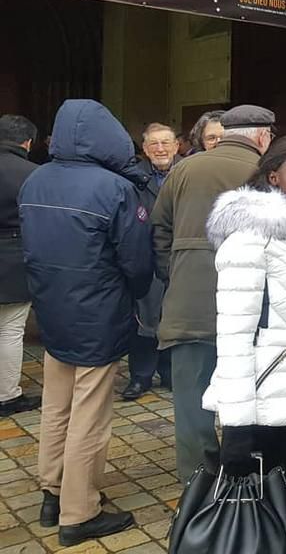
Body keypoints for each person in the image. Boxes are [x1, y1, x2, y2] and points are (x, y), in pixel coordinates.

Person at [18, 100, 152, 546]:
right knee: (90, 416)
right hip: (99, 311)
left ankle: (51, 492)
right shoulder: (115, 188)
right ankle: (80, 511)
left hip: (53, 307)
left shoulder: (36, 178)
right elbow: (136, 263)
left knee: (57, 406)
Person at [203, 136, 286, 508]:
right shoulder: (250, 239)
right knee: (254, 516)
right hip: (260, 401)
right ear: (274, 177)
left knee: (282, 507)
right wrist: (236, 424)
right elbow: (233, 333)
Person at [152, 104, 275, 482]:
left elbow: (159, 230)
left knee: (191, 398)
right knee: (254, 388)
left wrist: (176, 272)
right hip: (253, 304)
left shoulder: (184, 167)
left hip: (189, 301)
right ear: (261, 136)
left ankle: (198, 479)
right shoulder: (266, 174)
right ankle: (248, 472)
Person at [122, 123, 177, 401]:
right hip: (145, 254)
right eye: (154, 144)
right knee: (144, 318)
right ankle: (140, 377)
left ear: (177, 146)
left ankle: (169, 374)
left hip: (177, 255)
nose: (160, 149)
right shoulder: (133, 177)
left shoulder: (186, 171)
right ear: (144, 149)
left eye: (166, 143)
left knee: (173, 316)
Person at [0, 115, 39, 417]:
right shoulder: (33, 174)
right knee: (11, 330)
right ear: (27, 142)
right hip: (14, 257)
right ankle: (7, 395)